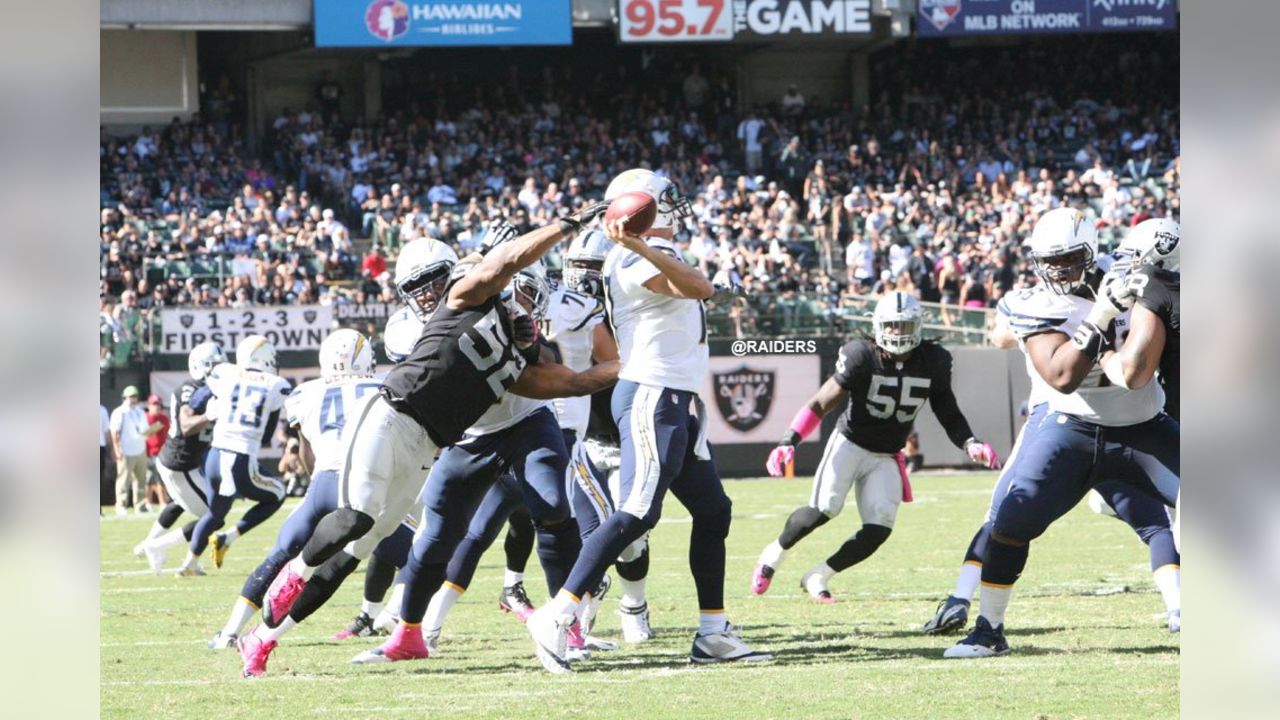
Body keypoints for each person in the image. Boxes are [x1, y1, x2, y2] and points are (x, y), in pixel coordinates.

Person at [240, 206, 614, 677]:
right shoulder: (460, 297)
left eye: (527, 298)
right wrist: (560, 228)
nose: (428, 293)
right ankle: (297, 574)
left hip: (428, 445)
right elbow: (497, 270)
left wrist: (635, 364)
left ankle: (263, 639)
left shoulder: (515, 359)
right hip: (391, 420)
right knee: (357, 518)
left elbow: (568, 382)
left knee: (358, 550)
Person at [526, 168, 771, 672]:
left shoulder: (648, 255)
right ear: (641, 207)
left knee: (713, 510)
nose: (675, 206)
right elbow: (696, 287)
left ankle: (712, 633)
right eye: (664, 200)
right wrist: (640, 245)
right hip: (651, 394)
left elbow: (697, 289)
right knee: (637, 511)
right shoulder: (629, 256)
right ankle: (558, 612)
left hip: (677, 397)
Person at [944, 208, 1179, 658]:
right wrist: (1107, 309)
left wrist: (1150, 279)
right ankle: (988, 630)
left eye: (1069, 257)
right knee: (1011, 520)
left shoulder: (1129, 268)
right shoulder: (1033, 302)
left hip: (1144, 427)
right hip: (1071, 427)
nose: (1058, 269)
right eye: (1049, 260)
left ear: (1091, 251)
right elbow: (1062, 374)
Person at [750, 292, 1001, 603]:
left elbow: (947, 410)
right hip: (850, 442)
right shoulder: (861, 355)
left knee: (880, 525)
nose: (898, 332)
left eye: (905, 325)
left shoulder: (933, 360)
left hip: (887, 453)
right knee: (825, 507)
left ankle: (819, 575)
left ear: (918, 326)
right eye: (892, 326)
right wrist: (789, 440)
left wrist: (969, 442)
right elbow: (820, 403)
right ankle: (772, 556)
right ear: (880, 326)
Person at [209, 329, 384, 649]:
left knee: (280, 555)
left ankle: (229, 632)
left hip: (324, 482)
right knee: (389, 551)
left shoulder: (306, 392)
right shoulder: (382, 386)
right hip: (367, 485)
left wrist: (315, 483)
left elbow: (305, 450)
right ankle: (396, 621)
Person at [179, 336, 291, 577]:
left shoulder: (225, 374)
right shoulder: (276, 384)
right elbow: (266, 436)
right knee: (278, 494)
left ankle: (189, 563)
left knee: (215, 512)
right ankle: (227, 538)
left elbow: (195, 402)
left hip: (214, 457)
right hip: (239, 458)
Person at [133, 342, 226, 572]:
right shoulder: (191, 389)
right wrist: (208, 415)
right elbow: (186, 425)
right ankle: (156, 546)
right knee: (214, 516)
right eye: (213, 366)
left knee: (181, 503)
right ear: (199, 367)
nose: (219, 371)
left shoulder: (216, 390)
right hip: (179, 463)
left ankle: (151, 545)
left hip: (188, 462)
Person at [110, 386, 159, 515]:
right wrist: (117, 449)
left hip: (140, 449)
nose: (133, 399)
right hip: (126, 450)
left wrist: (152, 430)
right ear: (124, 397)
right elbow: (114, 432)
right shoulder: (119, 412)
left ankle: (140, 505)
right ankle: (121, 505)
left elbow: (145, 431)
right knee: (123, 479)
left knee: (141, 480)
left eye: (135, 396)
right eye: (131, 397)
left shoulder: (140, 412)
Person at [143, 394, 171, 507]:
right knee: (150, 478)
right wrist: (154, 428)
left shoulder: (164, 418)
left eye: (158, 404)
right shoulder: (144, 417)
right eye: (154, 404)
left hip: (162, 452)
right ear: (149, 405)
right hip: (148, 452)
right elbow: (142, 435)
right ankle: (152, 502)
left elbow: (168, 434)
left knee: (158, 477)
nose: (157, 407)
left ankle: (159, 501)